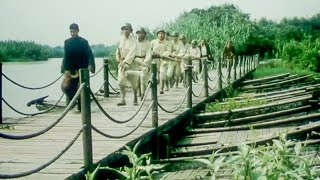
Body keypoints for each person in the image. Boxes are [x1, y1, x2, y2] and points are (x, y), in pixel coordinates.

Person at [61, 23, 95, 108]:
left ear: (78, 31)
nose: (72, 33)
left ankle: (81, 105)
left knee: (82, 88)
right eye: (71, 32)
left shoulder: (84, 42)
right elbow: (66, 57)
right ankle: (74, 100)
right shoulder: (67, 42)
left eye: (74, 31)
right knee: (65, 87)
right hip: (71, 71)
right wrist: (65, 70)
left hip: (82, 71)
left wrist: (90, 65)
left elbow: (90, 55)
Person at [124, 27, 152, 101]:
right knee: (135, 79)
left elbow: (149, 55)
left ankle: (143, 93)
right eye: (138, 33)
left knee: (143, 78)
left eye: (141, 33)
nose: (140, 35)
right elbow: (131, 53)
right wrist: (125, 62)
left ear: (144, 34)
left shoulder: (148, 44)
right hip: (135, 62)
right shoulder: (134, 43)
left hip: (144, 62)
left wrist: (145, 63)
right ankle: (137, 94)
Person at [116, 22, 137, 106]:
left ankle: (135, 97)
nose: (125, 30)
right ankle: (123, 99)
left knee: (133, 83)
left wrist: (125, 62)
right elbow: (118, 51)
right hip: (121, 63)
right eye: (124, 29)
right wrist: (118, 59)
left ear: (130, 30)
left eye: (127, 29)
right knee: (120, 82)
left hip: (130, 63)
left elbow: (132, 53)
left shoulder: (134, 41)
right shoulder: (120, 39)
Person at [150, 29, 172, 94]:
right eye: (159, 33)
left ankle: (161, 88)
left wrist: (163, 54)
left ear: (164, 35)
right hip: (154, 61)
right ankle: (152, 88)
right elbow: (149, 50)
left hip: (163, 60)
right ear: (157, 35)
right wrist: (152, 54)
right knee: (153, 75)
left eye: (162, 33)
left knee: (162, 74)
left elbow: (168, 51)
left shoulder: (168, 43)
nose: (161, 35)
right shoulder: (153, 42)